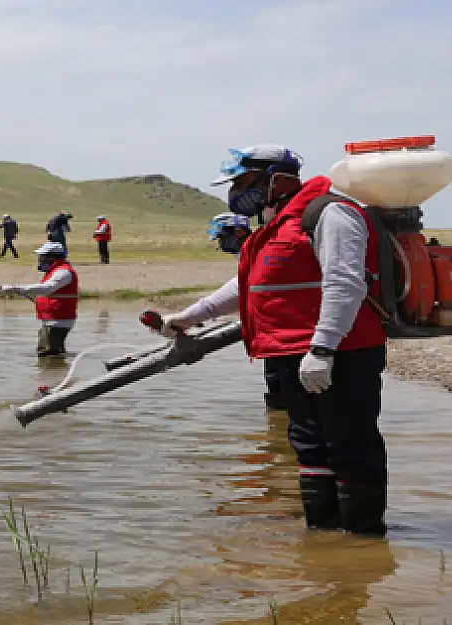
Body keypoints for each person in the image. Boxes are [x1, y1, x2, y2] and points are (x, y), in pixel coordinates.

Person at [156, 143, 389, 537]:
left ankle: (364, 537)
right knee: (308, 446)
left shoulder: (330, 213)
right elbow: (249, 283)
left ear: (278, 179)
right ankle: (329, 543)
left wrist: (323, 347)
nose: (236, 192)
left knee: (350, 445)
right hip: (291, 355)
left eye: (245, 182)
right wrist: (191, 315)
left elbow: (345, 283)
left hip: (341, 353)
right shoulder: (276, 223)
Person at [206, 212, 285, 411]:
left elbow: (240, 289)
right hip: (272, 336)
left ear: (239, 232)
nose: (221, 244)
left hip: (283, 337)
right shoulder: (250, 252)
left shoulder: (260, 251)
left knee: (286, 395)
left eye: (223, 237)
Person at [0, 241, 78, 357]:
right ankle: (56, 374)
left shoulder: (63, 272)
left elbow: (48, 288)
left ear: (52, 257)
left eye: (42, 256)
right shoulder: (55, 271)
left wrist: (17, 288)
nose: (40, 259)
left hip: (58, 319)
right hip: (53, 319)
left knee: (49, 355)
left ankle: (53, 374)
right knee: (50, 354)